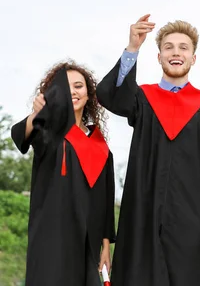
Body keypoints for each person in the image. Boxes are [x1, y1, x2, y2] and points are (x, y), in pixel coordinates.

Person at [96, 15, 200, 286]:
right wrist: (132, 49)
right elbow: (110, 95)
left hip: (190, 215)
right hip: (142, 212)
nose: (176, 52)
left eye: (184, 47)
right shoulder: (142, 99)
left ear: (193, 58)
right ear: (159, 56)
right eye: (169, 47)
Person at [11, 61, 116, 286]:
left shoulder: (101, 145)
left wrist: (106, 246)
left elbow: (106, 200)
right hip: (53, 235)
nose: (73, 91)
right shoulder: (50, 132)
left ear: (88, 94)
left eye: (78, 86)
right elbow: (20, 135)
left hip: (89, 239)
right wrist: (36, 115)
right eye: (65, 87)